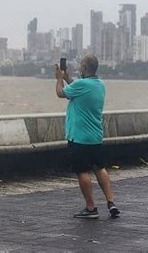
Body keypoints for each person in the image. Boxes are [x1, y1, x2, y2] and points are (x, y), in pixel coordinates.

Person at [55, 55, 120, 219]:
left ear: (84, 67)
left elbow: (61, 93)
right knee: (100, 167)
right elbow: (76, 87)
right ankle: (111, 202)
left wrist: (59, 79)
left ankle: (91, 208)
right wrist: (67, 76)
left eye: (80, 65)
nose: (78, 67)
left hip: (79, 138)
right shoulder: (99, 84)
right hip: (95, 136)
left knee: (83, 171)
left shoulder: (81, 85)